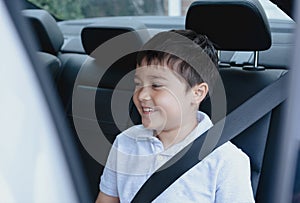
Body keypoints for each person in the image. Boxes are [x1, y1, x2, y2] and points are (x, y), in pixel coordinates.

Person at [95, 30, 255, 203]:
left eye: (156, 85)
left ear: (197, 93)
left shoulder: (225, 161)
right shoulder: (125, 143)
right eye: (138, 84)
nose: (141, 95)